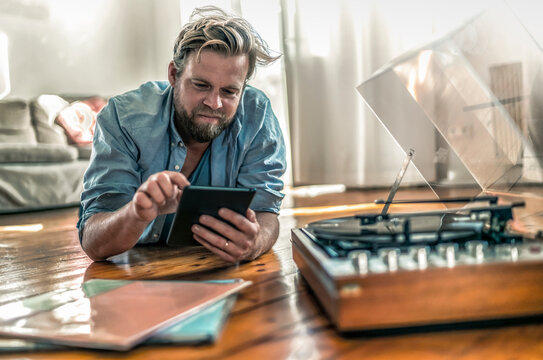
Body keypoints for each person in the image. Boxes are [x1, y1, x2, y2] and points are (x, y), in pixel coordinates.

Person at [77, 6, 287, 263]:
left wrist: (255, 243)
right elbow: (93, 242)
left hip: (219, 272)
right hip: (139, 278)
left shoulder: (257, 115)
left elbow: (266, 212)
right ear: (174, 75)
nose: (214, 103)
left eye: (230, 92)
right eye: (201, 85)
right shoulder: (122, 119)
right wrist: (136, 214)